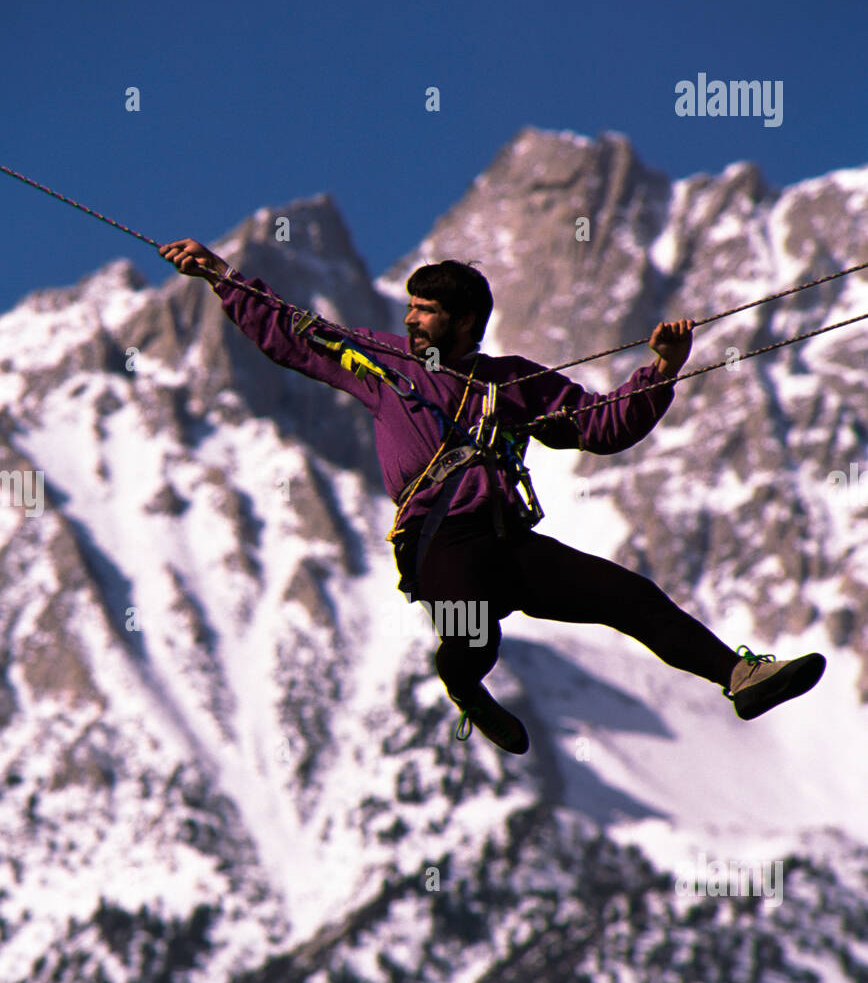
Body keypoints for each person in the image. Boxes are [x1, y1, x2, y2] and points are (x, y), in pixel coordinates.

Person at [158, 237, 826, 754]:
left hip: (509, 542)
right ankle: (464, 682)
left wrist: (660, 372)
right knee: (474, 631)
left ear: (466, 319)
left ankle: (737, 678)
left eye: (427, 311)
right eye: (412, 308)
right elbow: (290, 334)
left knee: (629, 597)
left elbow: (599, 427)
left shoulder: (514, 383)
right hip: (440, 540)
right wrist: (219, 273)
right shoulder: (382, 363)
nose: (413, 320)